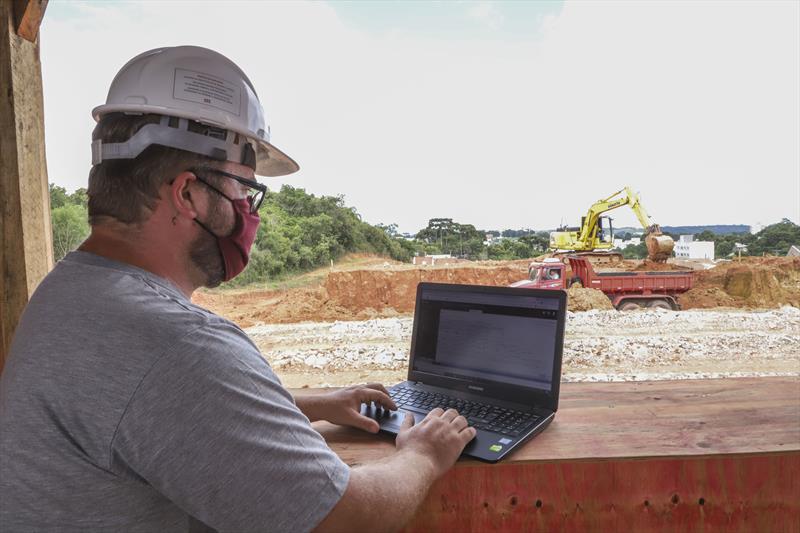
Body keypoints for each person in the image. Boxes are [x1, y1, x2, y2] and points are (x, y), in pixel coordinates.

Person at [0, 46, 475, 532]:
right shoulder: (174, 342)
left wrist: (306, 404)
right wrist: (422, 455)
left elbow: (154, 414)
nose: (250, 213)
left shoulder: (75, 290)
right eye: (243, 190)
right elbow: (343, 519)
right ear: (187, 194)